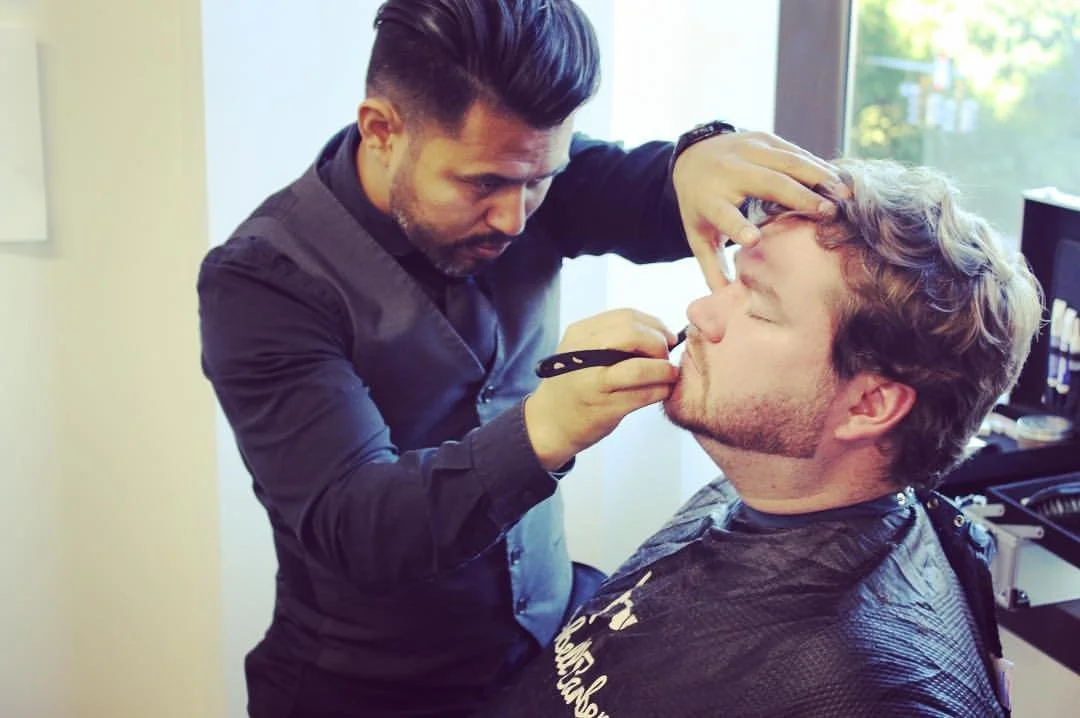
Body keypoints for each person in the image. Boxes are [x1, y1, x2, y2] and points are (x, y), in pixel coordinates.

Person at [197, 0, 843, 715]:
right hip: (365, 691)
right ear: (381, 130)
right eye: (483, 184)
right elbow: (358, 525)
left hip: (543, 651)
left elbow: (656, 192)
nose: (515, 216)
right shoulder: (262, 281)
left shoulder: (524, 164)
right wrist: (546, 430)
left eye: (539, 180)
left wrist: (701, 157)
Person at [476, 159, 1042, 718]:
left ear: (868, 406)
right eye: (732, 282)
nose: (701, 312)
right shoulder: (761, 487)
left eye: (760, 306)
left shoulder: (857, 690)